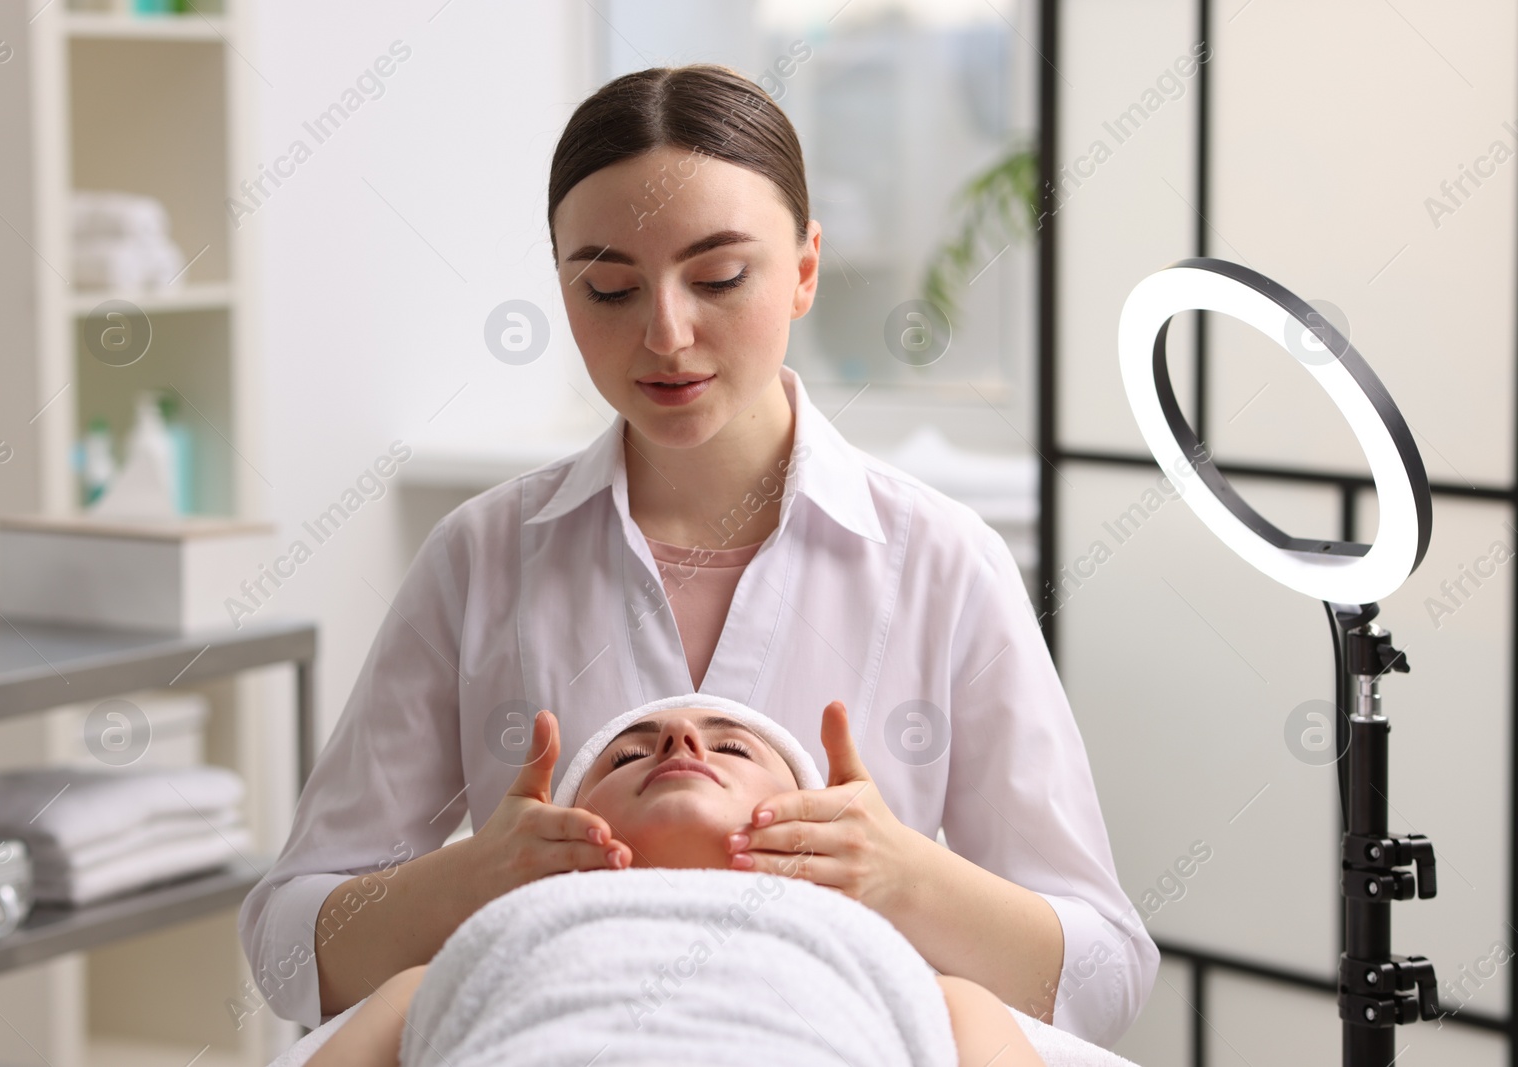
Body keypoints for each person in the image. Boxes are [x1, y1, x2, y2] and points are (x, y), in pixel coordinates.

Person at [237, 62, 1157, 1048]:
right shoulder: (482, 558)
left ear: (805, 267)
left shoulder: (940, 563)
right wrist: (467, 879)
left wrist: (905, 878)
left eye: (718, 277)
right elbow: (285, 952)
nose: (665, 335)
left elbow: (1103, 979)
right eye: (608, 286)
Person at [303, 700, 1048, 1067]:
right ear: (561, 831)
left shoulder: (926, 982)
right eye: (626, 758)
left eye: (729, 744)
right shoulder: (446, 969)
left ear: (817, 822)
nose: (679, 740)